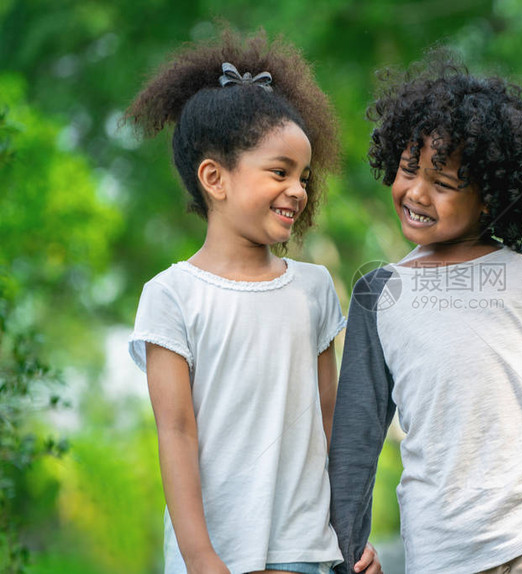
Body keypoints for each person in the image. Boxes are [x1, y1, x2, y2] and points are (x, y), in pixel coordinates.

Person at [329, 52, 522, 574]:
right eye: (409, 170)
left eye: (444, 183)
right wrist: (345, 549)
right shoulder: (379, 294)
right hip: (442, 541)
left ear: (491, 197)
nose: (417, 193)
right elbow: (357, 438)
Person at [125, 28, 380, 574]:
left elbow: (330, 422)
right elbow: (176, 431)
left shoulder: (312, 289)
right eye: (279, 172)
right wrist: (200, 557)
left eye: (304, 177)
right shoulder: (170, 296)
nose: (299, 190)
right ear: (215, 178)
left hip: (307, 553)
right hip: (219, 558)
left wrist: (353, 537)